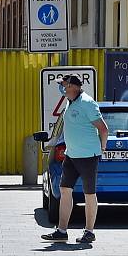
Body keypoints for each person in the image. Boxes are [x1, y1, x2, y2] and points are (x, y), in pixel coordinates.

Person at [42, 74, 109, 244]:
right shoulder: (69, 102)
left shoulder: (87, 103)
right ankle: (62, 231)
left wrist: (102, 149)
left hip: (88, 156)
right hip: (71, 155)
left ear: (72, 86)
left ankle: (89, 232)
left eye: (63, 84)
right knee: (65, 190)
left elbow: (103, 129)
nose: (61, 88)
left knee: (89, 194)